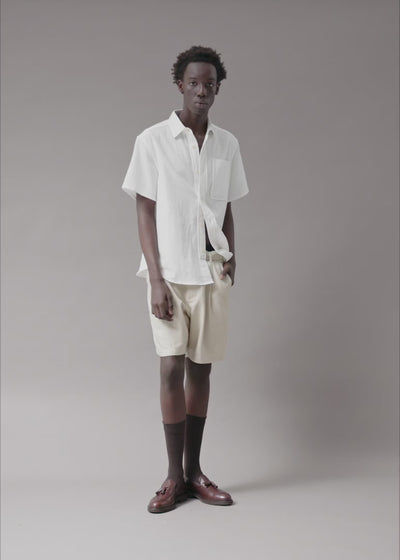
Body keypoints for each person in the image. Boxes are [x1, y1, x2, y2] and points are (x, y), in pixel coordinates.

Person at [121, 46, 249, 513]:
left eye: (209, 84)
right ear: (180, 84)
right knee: (171, 367)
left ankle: (195, 472)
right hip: (170, 273)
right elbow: (144, 210)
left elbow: (226, 205)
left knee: (202, 368)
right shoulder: (152, 141)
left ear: (217, 89)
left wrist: (231, 256)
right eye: (193, 83)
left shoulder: (226, 144)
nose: (201, 91)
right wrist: (155, 279)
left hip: (211, 272)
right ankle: (173, 478)